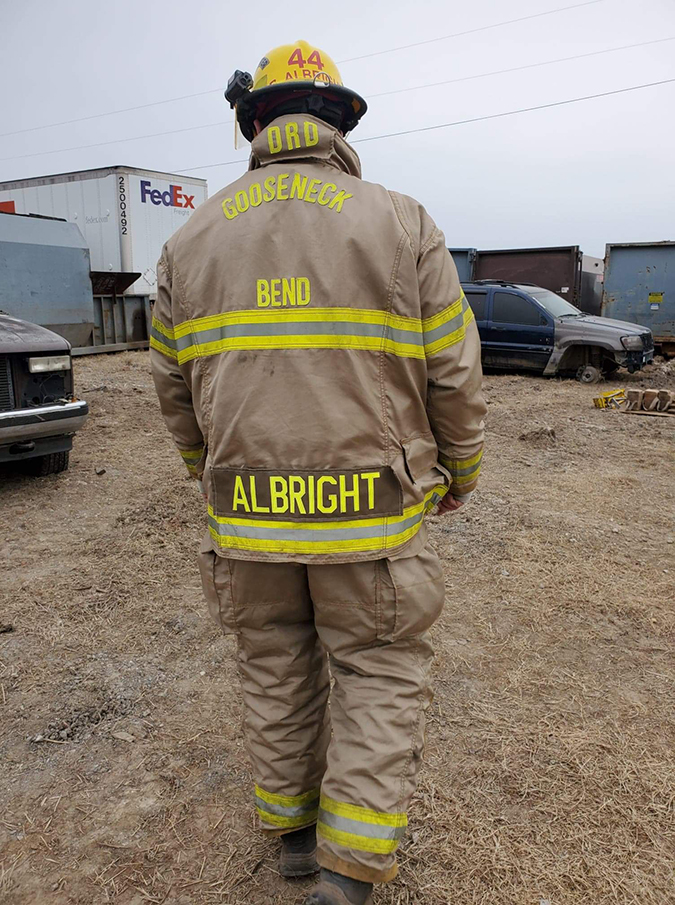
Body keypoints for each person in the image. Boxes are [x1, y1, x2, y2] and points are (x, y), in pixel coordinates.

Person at [150, 40, 486, 905]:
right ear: (338, 121)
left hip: (248, 518)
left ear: (252, 122)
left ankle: (294, 836)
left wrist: (209, 474)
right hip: (372, 516)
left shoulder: (187, 243)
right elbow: (451, 369)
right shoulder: (400, 221)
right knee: (376, 673)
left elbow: (173, 390)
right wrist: (461, 469)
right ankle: (346, 871)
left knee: (273, 664)